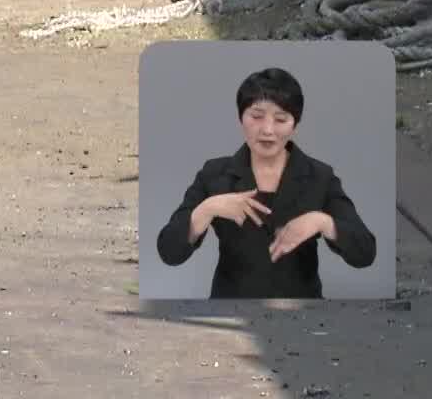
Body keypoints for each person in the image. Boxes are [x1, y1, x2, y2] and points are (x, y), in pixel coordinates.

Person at [155, 67, 377, 298]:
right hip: (230, 308)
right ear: (241, 117)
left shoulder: (319, 176)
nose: (267, 130)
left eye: (281, 119)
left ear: (295, 125)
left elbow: (365, 253)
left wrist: (323, 222)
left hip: (303, 314)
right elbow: (169, 252)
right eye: (256, 116)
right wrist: (207, 209)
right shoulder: (215, 174)